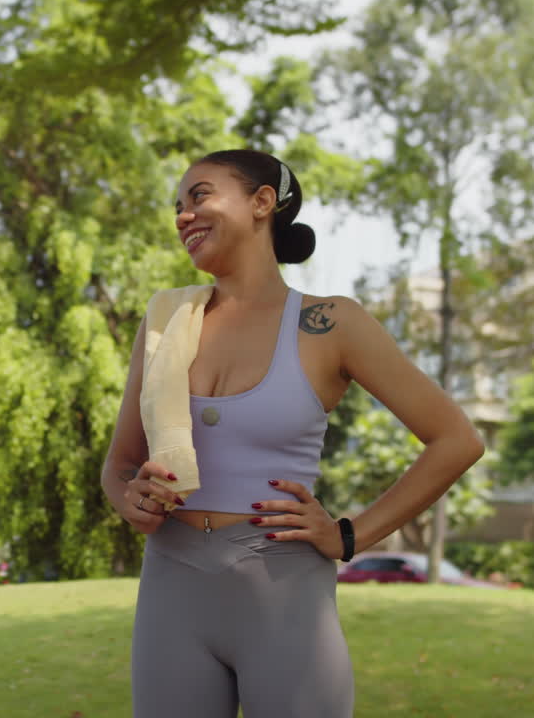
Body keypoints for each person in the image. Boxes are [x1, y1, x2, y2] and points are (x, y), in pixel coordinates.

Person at [100, 149, 485, 717]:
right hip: (170, 587)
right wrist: (129, 498)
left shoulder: (329, 323)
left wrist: (349, 535)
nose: (183, 215)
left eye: (199, 196)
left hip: (284, 593)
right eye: (177, 205)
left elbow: (457, 439)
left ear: (261, 203)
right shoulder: (165, 323)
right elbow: (119, 465)